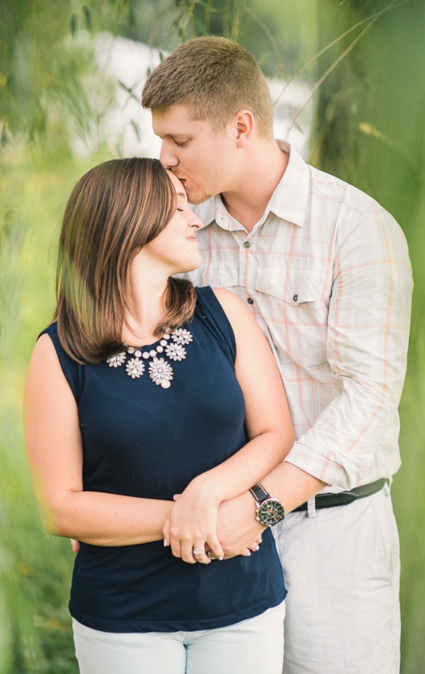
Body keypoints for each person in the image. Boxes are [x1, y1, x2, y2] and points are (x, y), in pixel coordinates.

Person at [141, 36, 412, 674]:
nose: (165, 160)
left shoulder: (354, 227)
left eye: (180, 141)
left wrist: (262, 506)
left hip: (334, 537)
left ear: (241, 127)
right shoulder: (179, 231)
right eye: (160, 141)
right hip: (214, 533)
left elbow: (370, 399)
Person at [24, 157, 297, 673]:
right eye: (177, 208)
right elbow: (59, 507)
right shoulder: (59, 352)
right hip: (124, 616)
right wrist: (193, 519)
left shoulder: (224, 313)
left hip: (242, 602)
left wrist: (207, 492)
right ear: (128, 222)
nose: (195, 219)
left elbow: (275, 433)